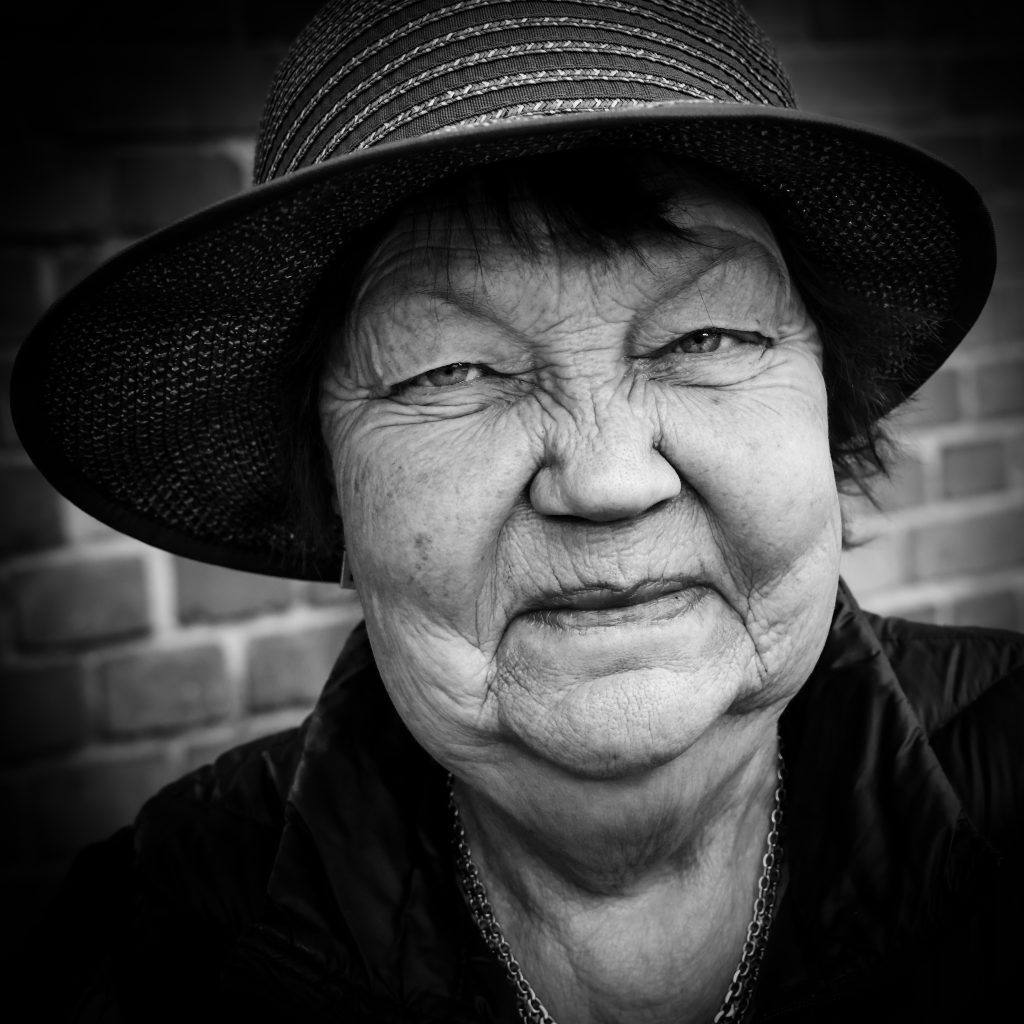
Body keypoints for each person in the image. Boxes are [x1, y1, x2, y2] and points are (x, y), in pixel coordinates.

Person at [10, 0, 1023, 1021]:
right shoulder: (154, 935)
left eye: (707, 337)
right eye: (451, 369)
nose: (607, 479)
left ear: (824, 410)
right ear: (334, 493)